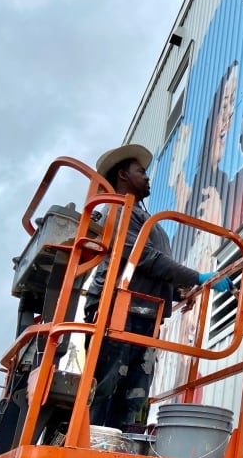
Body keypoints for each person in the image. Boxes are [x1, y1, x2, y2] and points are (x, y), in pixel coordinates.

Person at [85, 143, 233, 431]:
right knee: (107, 388)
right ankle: (93, 446)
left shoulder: (145, 219)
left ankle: (121, 449)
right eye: (141, 171)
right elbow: (144, 258)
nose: (148, 177)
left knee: (135, 395)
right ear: (123, 175)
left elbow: (155, 266)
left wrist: (179, 290)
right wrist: (197, 277)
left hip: (145, 316)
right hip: (117, 310)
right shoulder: (117, 211)